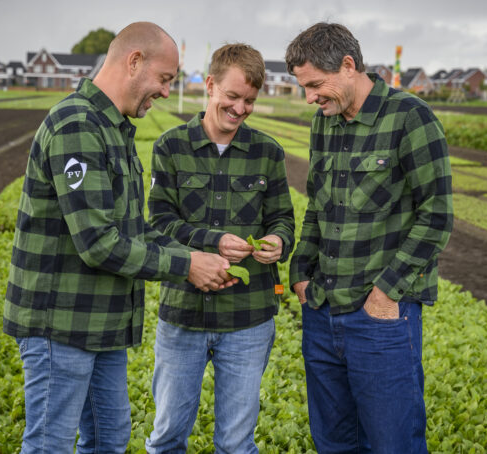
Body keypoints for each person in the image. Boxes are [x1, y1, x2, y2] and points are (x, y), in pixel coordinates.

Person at [3, 22, 237, 454]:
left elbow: (135, 230)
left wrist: (196, 255)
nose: (167, 92)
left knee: (110, 439)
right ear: (134, 62)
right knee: (50, 444)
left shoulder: (114, 129)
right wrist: (187, 266)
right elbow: (97, 242)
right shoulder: (77, 125)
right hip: (62, 325)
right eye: (165, 79)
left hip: (102, 327)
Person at [285, 23, 453, 453]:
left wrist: (384, 295)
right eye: (304, 87)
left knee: (392, 443)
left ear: (347, 66)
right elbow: (319, 208)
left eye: (316, 85)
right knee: (334, 443)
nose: (310, 97)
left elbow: (436, 216)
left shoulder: (410, 117)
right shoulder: (324, 123)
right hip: (322, 312)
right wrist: (300, 273)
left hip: (380, 319)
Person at [145, 43, 295, 453]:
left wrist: (278, 241)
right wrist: (212, 242)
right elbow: (159, 222)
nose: (241, 108)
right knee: (167, 436)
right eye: (232, 96)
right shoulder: (170, 147)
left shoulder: (268, 152)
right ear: (210, 86)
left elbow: (283, 218)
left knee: (236, 443)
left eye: (249, 100)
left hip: (249, 319)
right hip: (183, 315)